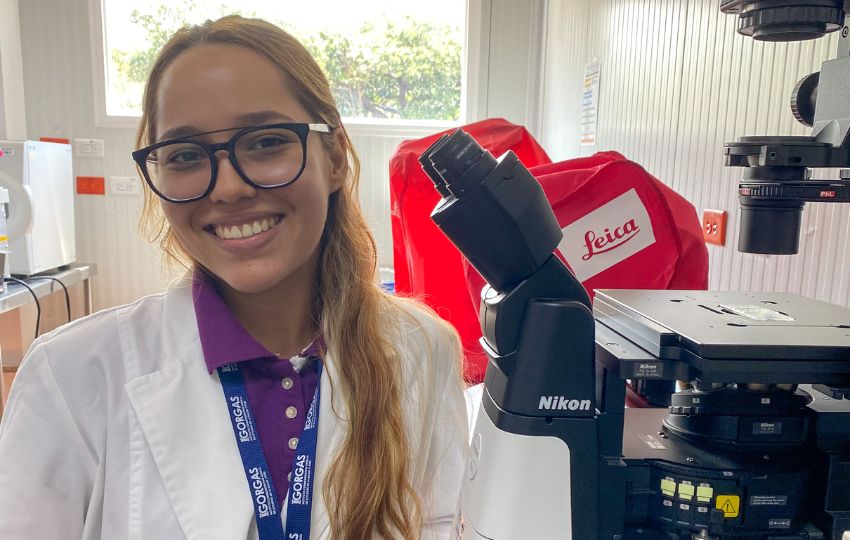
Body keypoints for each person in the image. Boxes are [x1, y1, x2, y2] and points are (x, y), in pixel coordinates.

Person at [0, 15, 467, 540]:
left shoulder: (423, 352)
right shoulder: (69, 378)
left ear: (333, 156)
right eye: (185, 155)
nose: (227, 188)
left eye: (266, 142)